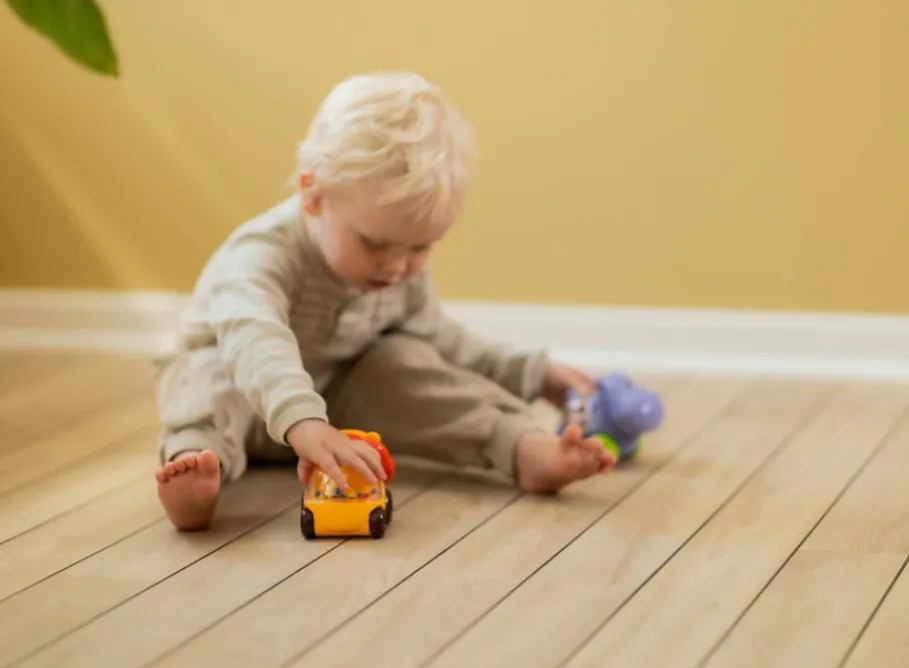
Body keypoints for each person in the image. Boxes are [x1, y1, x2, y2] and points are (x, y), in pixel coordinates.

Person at [153, 71, 616, 531]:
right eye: (375, 244)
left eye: (420, 247)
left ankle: (518, 446)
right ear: (313, 195)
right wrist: (303, 421)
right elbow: (254, 337)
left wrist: (533, 374)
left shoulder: (398, 269)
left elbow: (444, 340)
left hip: (335, 411)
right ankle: (196, 471)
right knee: (208, 375)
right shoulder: (261, 254)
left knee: (405, 359)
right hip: (245, 402)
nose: (396, 267)